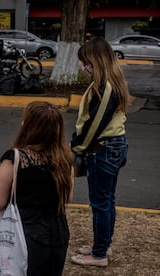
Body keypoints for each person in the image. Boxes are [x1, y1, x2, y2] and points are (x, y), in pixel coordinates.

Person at [0, 101, 75, 276]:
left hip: (24, 233)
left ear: (28, 126)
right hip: (58, 233)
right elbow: (67, 197)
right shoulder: (65, 160)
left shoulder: (16, 158)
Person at [70, 37, 130, 267]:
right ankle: (103, 245)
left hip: (103, 150)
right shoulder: (108, 83)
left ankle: (98, 255)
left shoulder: (105, 87)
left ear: (97, 61)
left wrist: (76, 147)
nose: (83, 67)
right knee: (107, 201)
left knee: (100, 204)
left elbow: (94, 124)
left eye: (86, 63)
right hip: (112, 148)